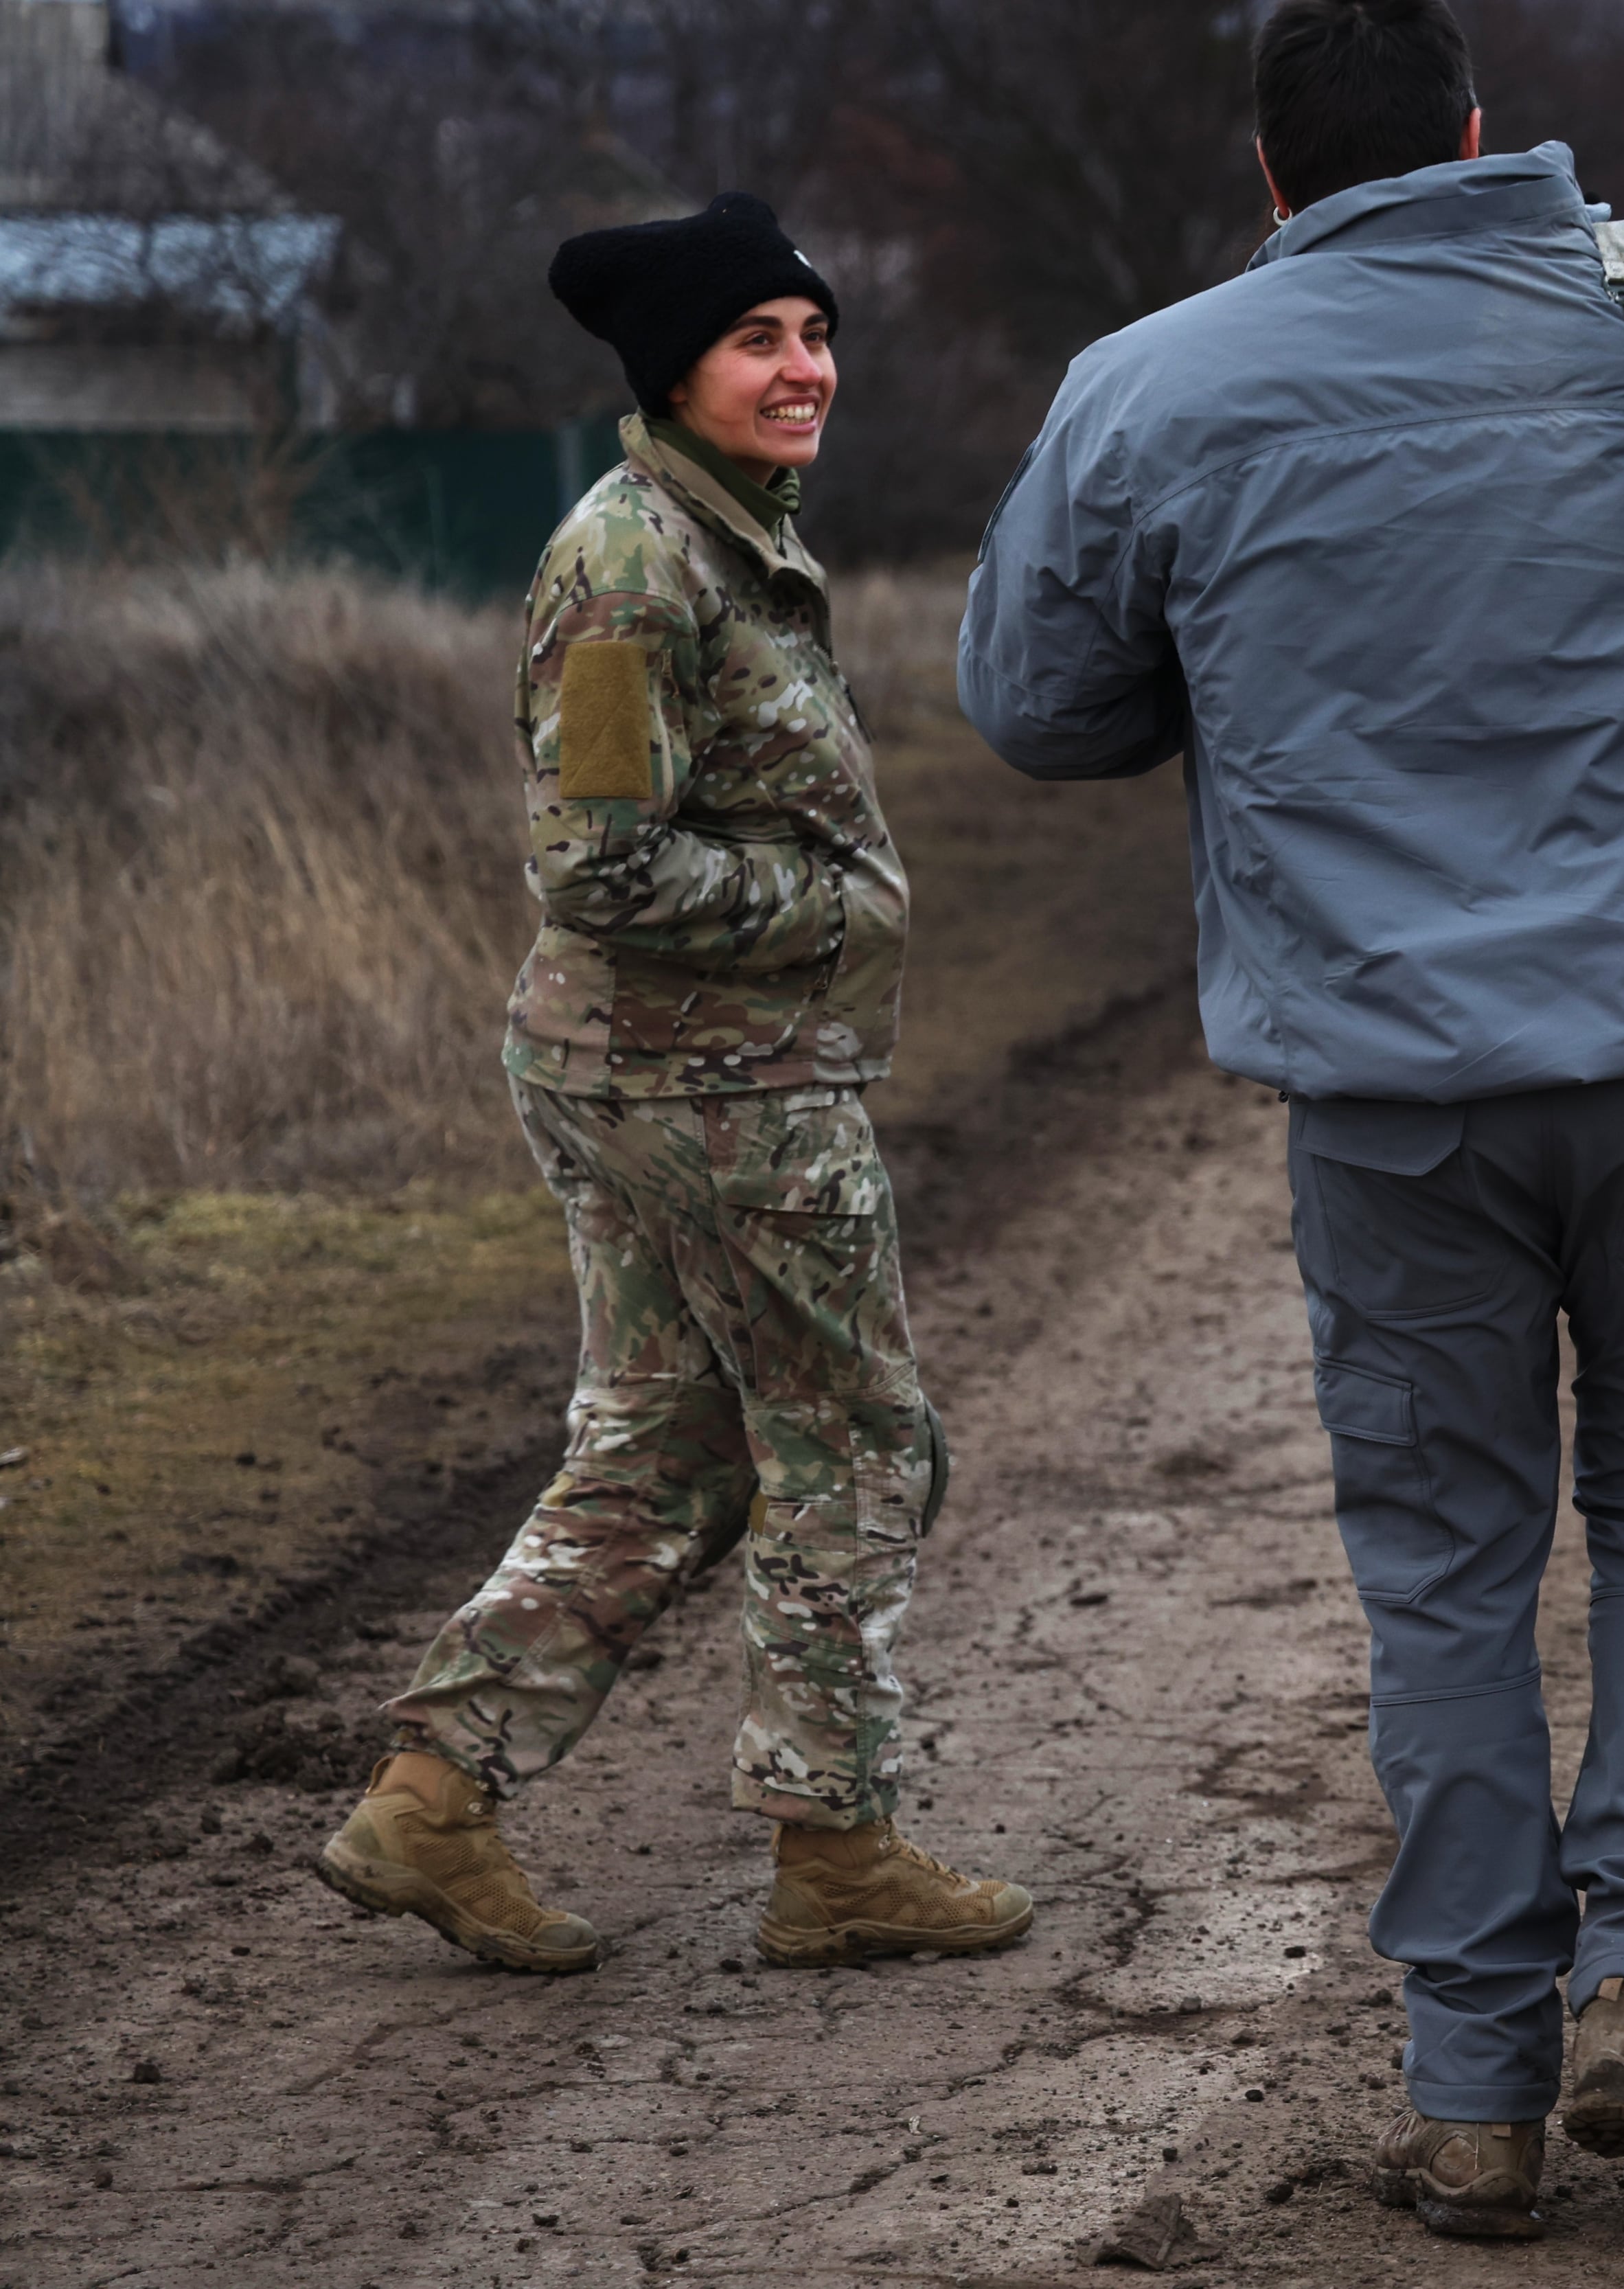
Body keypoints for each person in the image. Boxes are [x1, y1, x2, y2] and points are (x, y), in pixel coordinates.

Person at [957, 0, 1624, 2237]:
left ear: (1272, 176)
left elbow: (1036, 706)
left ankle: (1469, 2097)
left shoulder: (1152, 385)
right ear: (1474, 130)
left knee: (1441, 1570)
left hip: (1386, 1106)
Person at [314, 193, 1031, 1977]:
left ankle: (429, 1804)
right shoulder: (636, 567)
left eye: (814, 334)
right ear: (674, 371)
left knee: (669, 1446)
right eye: (756, 341)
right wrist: (830, 909)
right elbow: (599, 865)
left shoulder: (725, 539)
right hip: (711, 1088)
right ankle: (835, 1848)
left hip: (658, 1074)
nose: (804, 371)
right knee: (859, 1443)